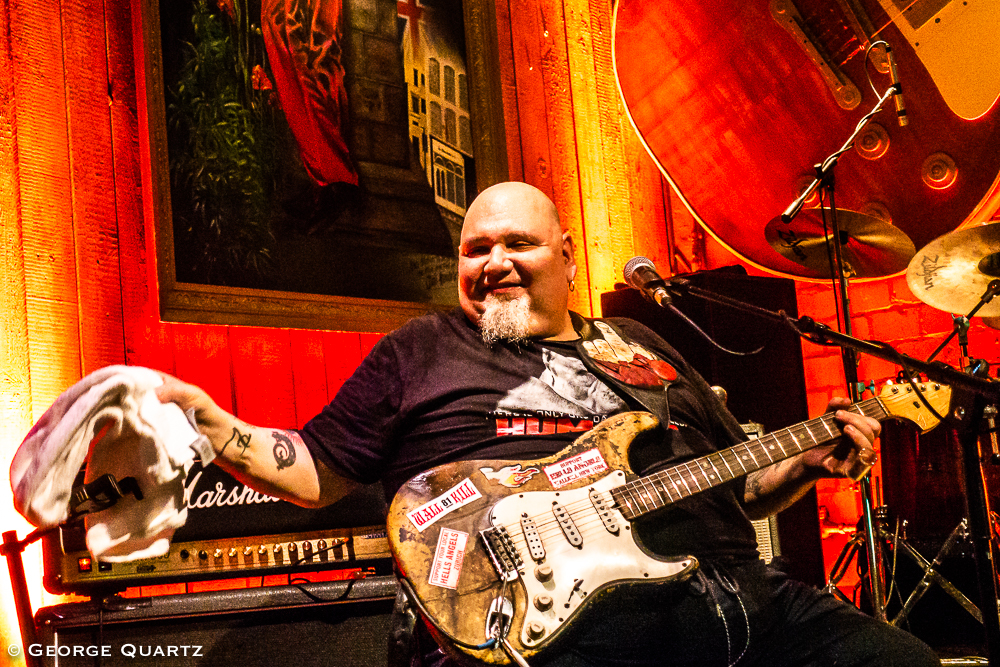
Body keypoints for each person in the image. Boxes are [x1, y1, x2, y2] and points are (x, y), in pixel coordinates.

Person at [156, 182, 939, 666]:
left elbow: (745, 481)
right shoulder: (422, 349)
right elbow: (313, 468)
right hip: (579, 622)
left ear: (569, 256)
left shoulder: (641, 346)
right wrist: (209, 420)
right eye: (474, 249)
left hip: (752, 599)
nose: (491, 261)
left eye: (517, 244)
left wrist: (807, 462)